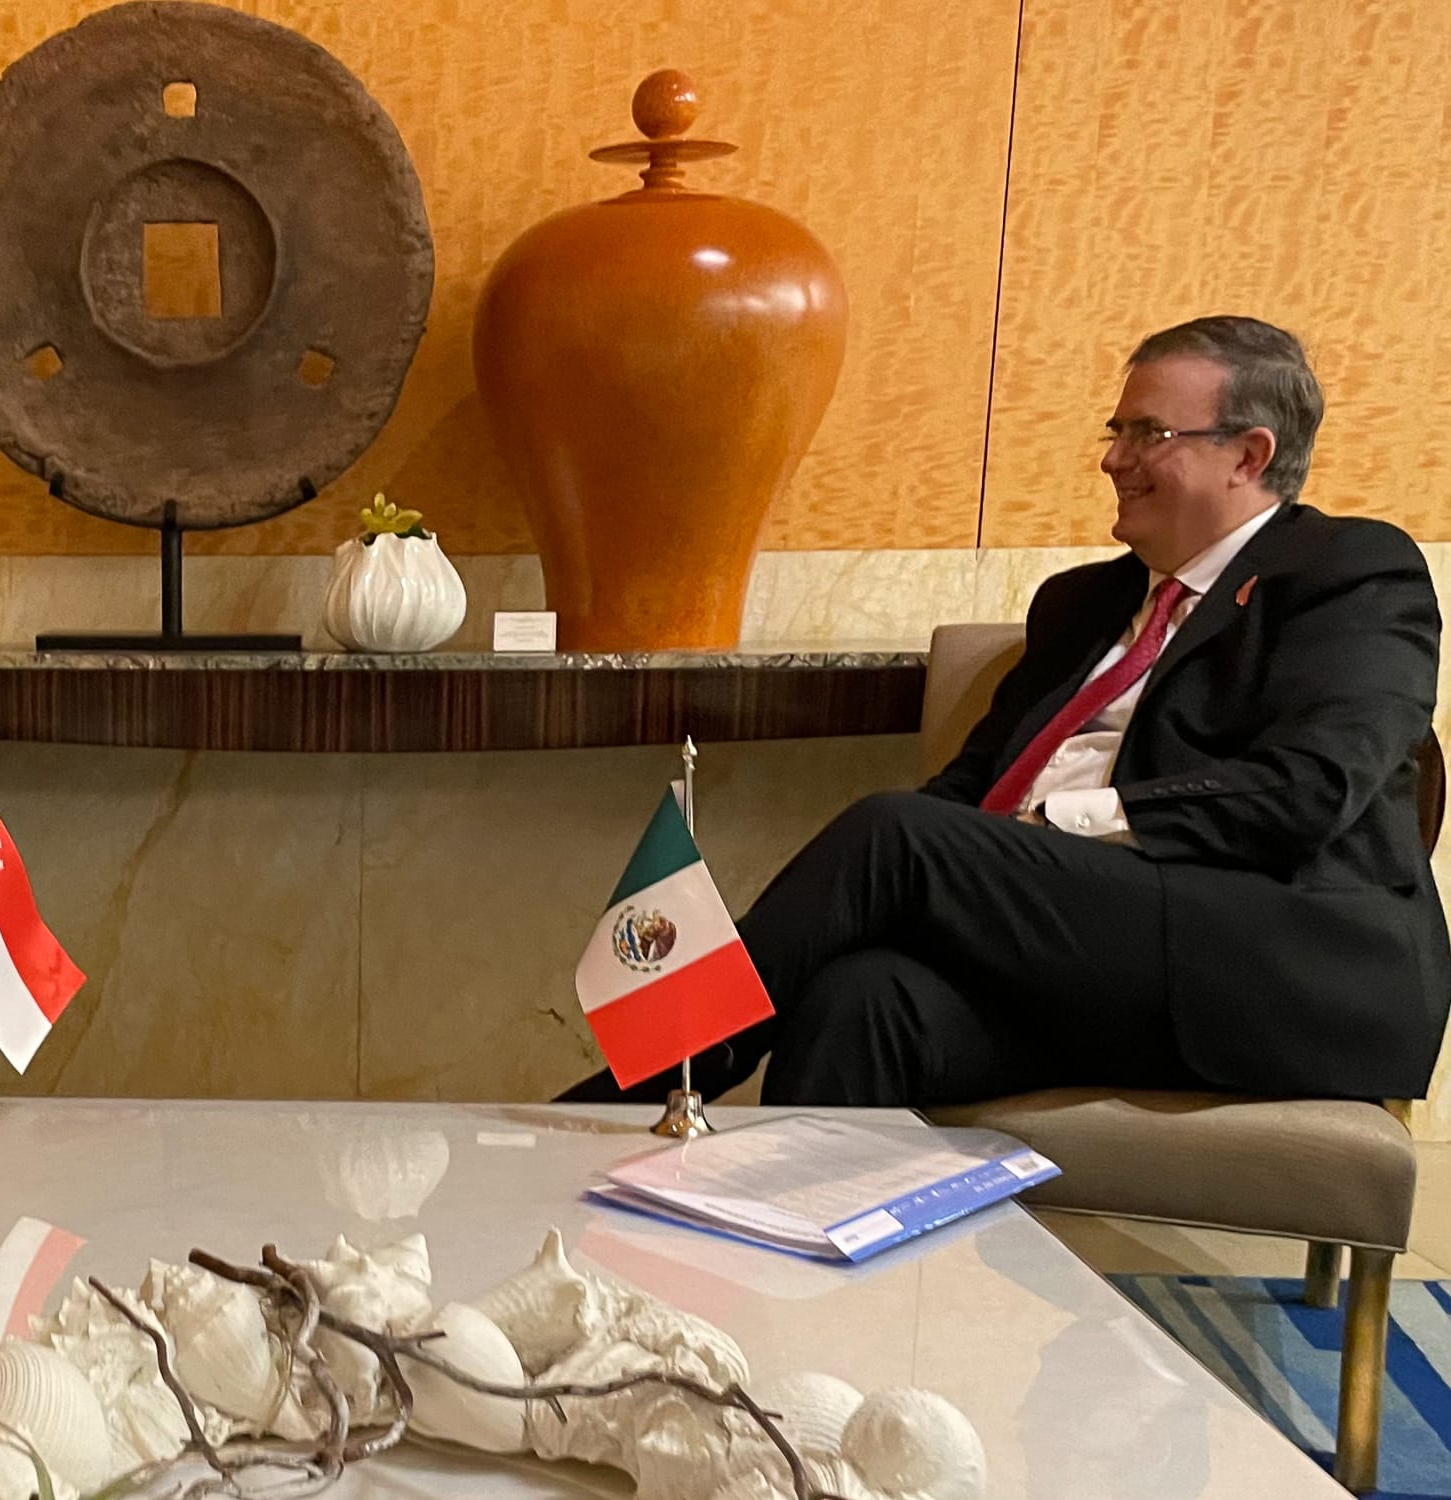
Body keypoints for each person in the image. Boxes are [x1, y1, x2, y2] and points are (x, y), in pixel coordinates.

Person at [562, 315, 1450, 1108]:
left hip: (1272, 960)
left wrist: (1053, 825)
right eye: (1116, 431)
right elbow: (974, 784)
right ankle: (808, 1273)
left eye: (1148, 433)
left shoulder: (1349, 572)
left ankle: (643, 1082)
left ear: (1248, 457)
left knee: (894, 834)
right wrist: (986, 846)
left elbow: (1307, 792)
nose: (1113, 458)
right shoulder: (1081, 605)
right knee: (860, 1000)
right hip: (1085, 957)